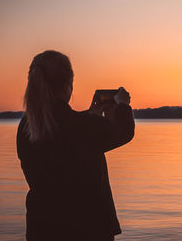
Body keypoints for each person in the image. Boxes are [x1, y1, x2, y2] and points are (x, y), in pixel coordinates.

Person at [16, 50, 134, 241]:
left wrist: (90, 116)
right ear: (68, 84)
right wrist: (122, 105)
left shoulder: (26, 127)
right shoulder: (79, 126)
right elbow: (123, 132)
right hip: (87, 228)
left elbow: (67, 135)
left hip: (43, 227)